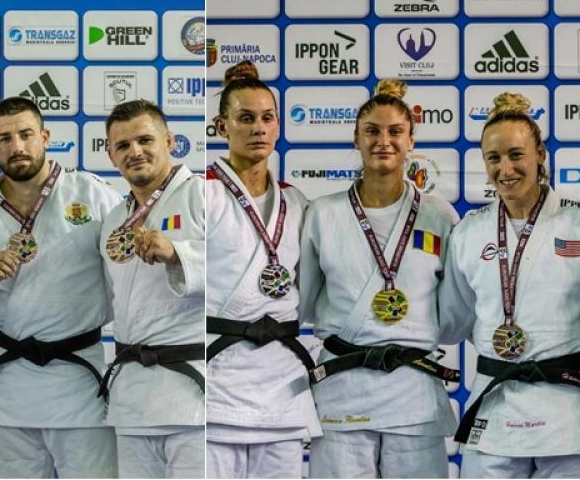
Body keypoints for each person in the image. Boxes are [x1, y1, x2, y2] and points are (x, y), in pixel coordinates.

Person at [0, 97, 120, 478]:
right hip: (9, 387)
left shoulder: (92, 194)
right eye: (4, 138)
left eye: (25, 134)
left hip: (79, 382)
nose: (16, 146)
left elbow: (128, 273)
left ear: (45, 137)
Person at [299, 79, 459, 478]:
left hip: (414, 391)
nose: (383, 141)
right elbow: (304, 302)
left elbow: (454, 310)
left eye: (395, 131)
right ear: (356, 139)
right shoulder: (323, 214)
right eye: (372, 131)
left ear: (411, 140)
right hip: (343, 388)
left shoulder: (439, 215)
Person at [439, 92, 580, 478]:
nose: (506, 169)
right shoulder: (468, 233)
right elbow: (453, 322)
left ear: (540, 155)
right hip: (496, 406)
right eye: (494, 158)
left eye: (516, 155)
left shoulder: (576, 225)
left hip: (568, 414)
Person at [206, 64, 321, 479]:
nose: (258, 128)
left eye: (267, 117)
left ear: (278, 126)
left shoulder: (298, 202)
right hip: (220, 379)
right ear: (222, 126)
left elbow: (310, 288)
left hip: (281, 382)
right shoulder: (202, 192)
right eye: (246, 118)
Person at [100, 99, 205, 478]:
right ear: (111, 156)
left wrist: (179, 254)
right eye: (123, 145)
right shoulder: (115, 219)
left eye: (145, 140)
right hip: (133, 397)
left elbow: (239, 274)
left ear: (170, 142)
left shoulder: (202, 195)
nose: (135, 151)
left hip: (192, 396)